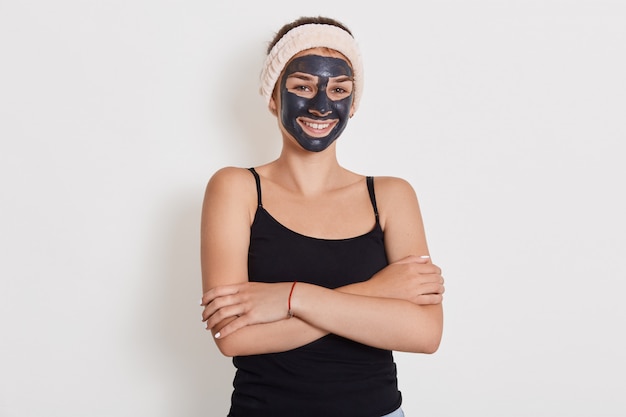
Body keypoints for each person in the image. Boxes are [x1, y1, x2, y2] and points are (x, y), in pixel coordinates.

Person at [200, 16, 445, 417]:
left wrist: (291, 297)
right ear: (273, 95)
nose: (321, 105)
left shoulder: (390, 195)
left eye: (339, 90)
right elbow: (233, 336)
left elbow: (425, 333)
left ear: (353, 102)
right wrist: (378, 290)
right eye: (302, 86)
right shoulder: (237, 188)